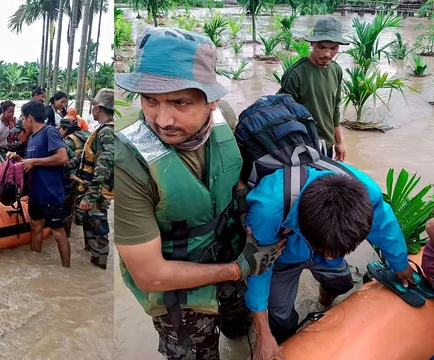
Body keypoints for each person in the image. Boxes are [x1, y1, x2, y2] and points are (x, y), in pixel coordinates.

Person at [113, 27, 283, 359]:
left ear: (211, 100)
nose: (163, 120)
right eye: (150, 100)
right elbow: (149, 275)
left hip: (232, 253)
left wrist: (258, 231)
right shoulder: (126, 161)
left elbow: (236, 184)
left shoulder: (225, 120)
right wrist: (240, 268)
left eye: (180, 102)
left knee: (239, 330)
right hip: (178, 288)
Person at [245, 164, 415, 359]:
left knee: (341, 283)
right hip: (281, 257)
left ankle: (323, 303)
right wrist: (263, 333)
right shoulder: (267, 210)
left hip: (328, 240)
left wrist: (401, 265)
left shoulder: (367, 194)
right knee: (280, 318)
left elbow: (385, 228)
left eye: (336, 253)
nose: (330, 258)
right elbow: (259, 269)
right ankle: (285, 337)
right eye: (325, 251)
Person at [278, 16, 348, 161]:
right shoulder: (295, 74)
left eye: (333, 48)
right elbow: (283, 116)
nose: (327, 54)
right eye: (321, 47)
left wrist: (339, 142)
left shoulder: (336, 70)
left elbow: (334, 109)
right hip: (302, 146)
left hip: (327, 143)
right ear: (312, 43)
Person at [12, 100, 71, 267]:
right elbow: (32, 162)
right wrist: (21, 160)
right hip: (36, 193)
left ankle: (66, 270)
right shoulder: (31, 139)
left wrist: (34, 161)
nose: (22, 122)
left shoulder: (49, 131)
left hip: (51, 193)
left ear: (30, 118)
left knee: (58, 233)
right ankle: (35, 265)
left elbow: (62, 157)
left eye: (23, 118)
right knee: (35, 227)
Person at [66, 88, 114, 269]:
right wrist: (67, 164)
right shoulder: (101, 130)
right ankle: (92, 269)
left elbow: (104, 165)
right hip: (88, 187)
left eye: (93, 105)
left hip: (95, 192)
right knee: (90, 229)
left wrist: (90, 196)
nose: (92, 108)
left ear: (99, 108)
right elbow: (88, 157)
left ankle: (99, 267)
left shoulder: (107, 132)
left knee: (98, 231)